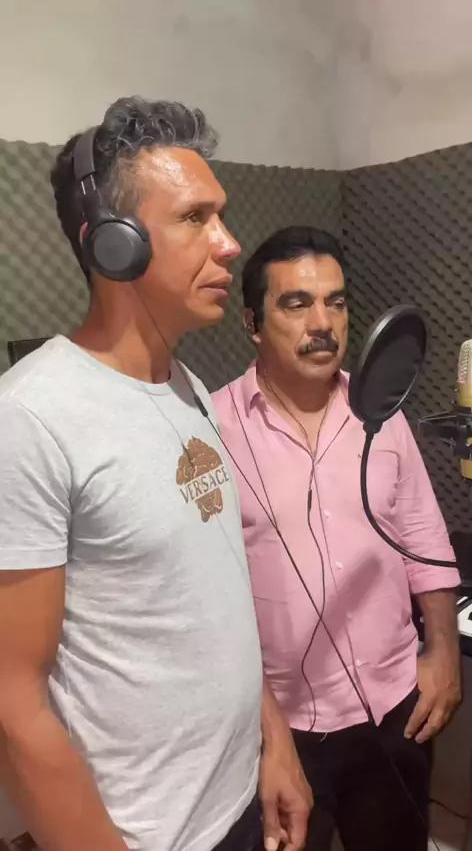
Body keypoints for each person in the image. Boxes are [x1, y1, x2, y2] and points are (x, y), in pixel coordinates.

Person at [0, 100, 312, 851]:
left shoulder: (186, 387)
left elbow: (214, 599)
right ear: (113, 245)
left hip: (237, 804)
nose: (230, 243)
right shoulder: (29, 418)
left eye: (221, 216)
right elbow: (12, 701)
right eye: (195, 218)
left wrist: (273, 742)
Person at [212, 225, 462, 851]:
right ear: (252, 323)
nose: (322, 323)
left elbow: (423, 535)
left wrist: (443, 651)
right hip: (281, 731)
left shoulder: (383, 413)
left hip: (395, 706)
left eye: (336, 302)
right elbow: (207, 602)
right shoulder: (210, 432)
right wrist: (266, 735)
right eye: (296, 303)